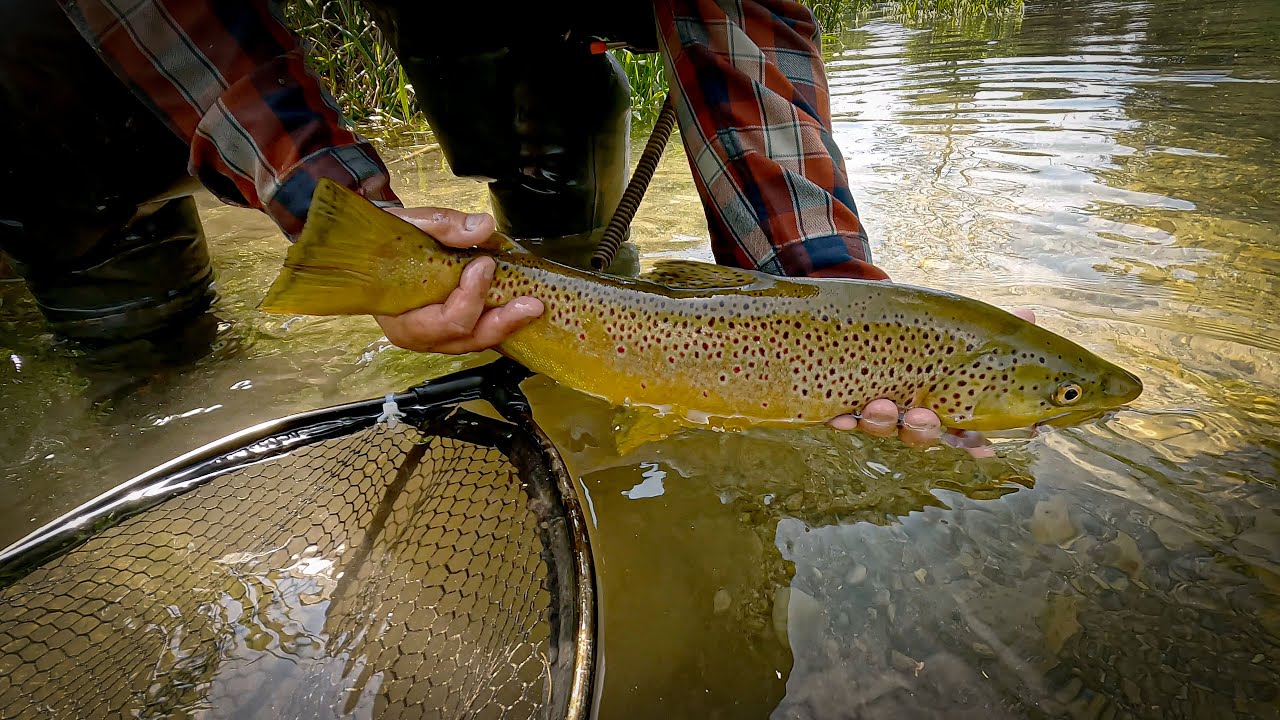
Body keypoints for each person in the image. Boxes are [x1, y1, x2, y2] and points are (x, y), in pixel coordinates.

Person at [4, 0, 1032, 452]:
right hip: (67, 50)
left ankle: (549, 319)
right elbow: (186, 30)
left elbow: (741, 40)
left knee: (558, 205)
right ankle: (147, 389)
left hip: (520, 23)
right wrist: (338, 205)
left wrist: (821, 283)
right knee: (45, 96)